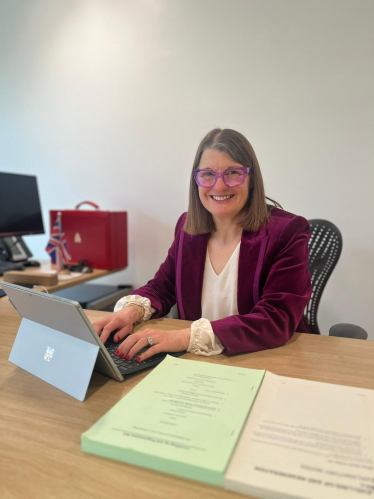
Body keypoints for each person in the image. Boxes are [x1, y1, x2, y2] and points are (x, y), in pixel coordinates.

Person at [93, 128, 311, 361]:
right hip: (200, 363)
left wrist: (182, 338)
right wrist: (130, 312)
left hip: (269, 359)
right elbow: (163, 287)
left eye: (233, 173)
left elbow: (275, 319)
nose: (219, 186)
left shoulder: (286, 231)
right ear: (196, 180)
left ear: (251, 179)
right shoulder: (188, 228)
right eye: (208, 174)